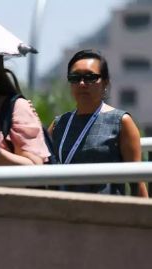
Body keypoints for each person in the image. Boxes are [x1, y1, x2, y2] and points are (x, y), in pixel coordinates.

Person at [49, 49, 148, 197]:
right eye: (75, 77)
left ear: (105, 83)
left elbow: (137, 183)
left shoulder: (121, 121)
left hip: (105, 212)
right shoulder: (59, 124)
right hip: (63, 210)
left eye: (90, 77)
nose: (82, 83)